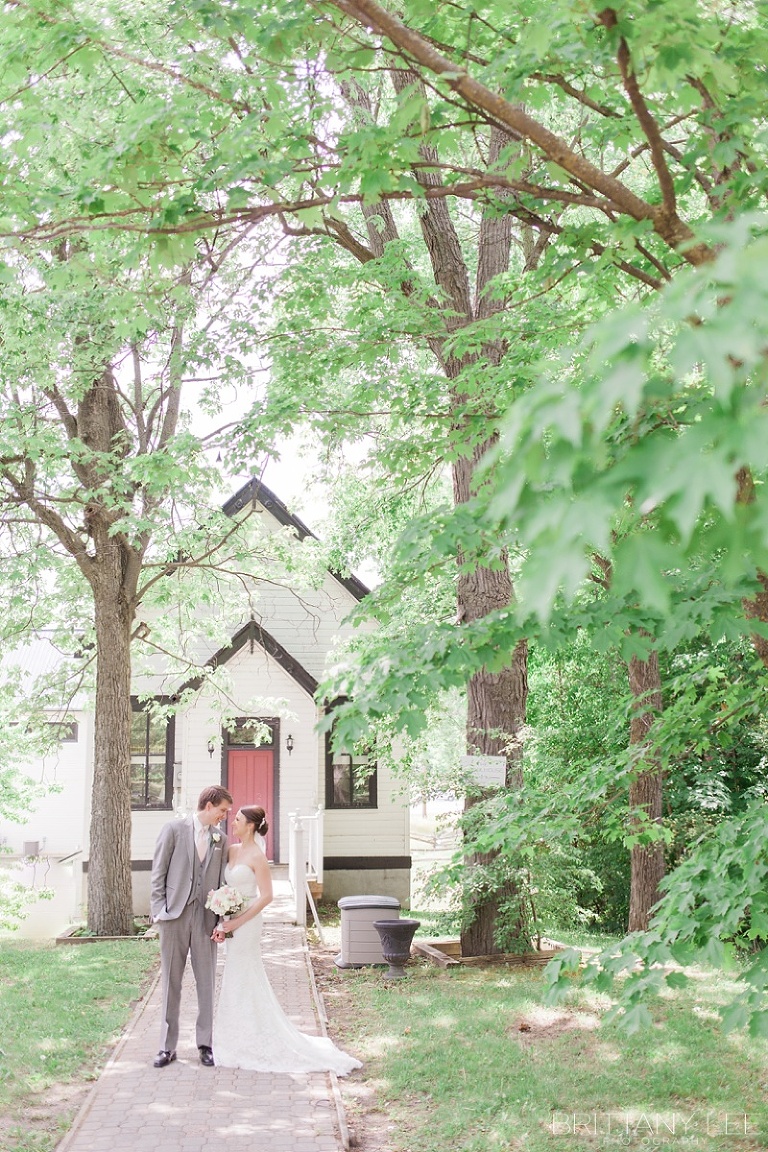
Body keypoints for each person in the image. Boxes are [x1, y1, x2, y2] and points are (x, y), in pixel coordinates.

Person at [212, 805, 362, 1075]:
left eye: (237, 820)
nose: (232, 823)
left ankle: (251, 1036)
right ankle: (237, 1033)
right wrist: (223, 914)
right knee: (236, 975)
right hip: (231, 919)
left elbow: (266, 896)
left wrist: (236, 920)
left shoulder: (258, 857)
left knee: (243, 972)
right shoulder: (232, 851)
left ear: (250, 825)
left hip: (247, 924)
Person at [150, 784, 233, 1069]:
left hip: (205, 920)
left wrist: (222, 918)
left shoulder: (220, 839)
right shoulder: (173, 830)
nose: (224, 816)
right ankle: (166, 1047)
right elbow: (158, 872)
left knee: (206, 983)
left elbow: (222, 883)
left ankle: (205, 1044)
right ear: (209, 806)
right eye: (222, 810)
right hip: (173, 918)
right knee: (171, 983)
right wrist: (159, 912)